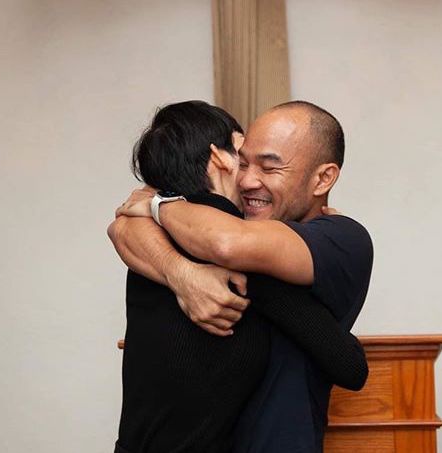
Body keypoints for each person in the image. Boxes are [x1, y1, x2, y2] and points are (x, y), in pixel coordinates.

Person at [112, 100, 374, 452]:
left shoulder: (341, 236)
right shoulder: (190, 237)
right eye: (244, 161)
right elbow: (121, 229)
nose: (248, 180)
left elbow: (226, 242)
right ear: (219, 160)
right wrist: (182, 273)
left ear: (323, 178)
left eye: (269, 167)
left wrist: (158, 204)